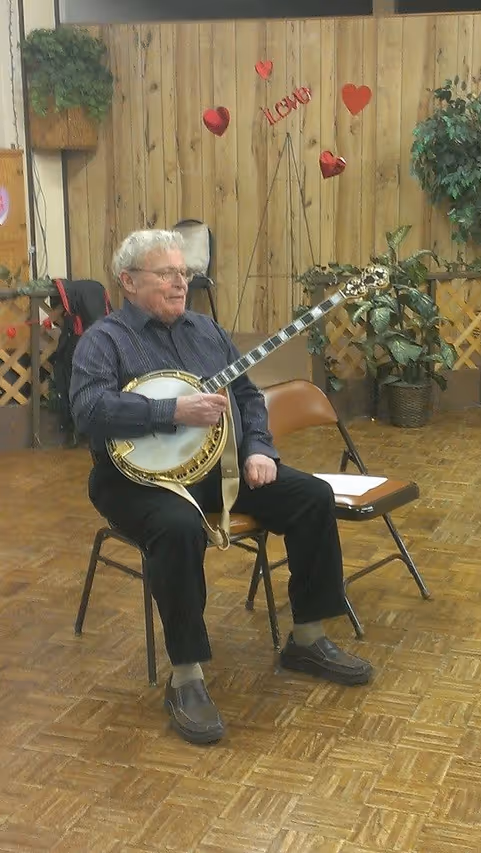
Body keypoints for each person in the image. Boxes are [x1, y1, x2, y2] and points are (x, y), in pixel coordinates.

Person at [69, 228, 373, 745]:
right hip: (134, 482)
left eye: (183, 273)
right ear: (128, 280)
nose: (179, 283)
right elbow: (88, 410)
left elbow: (249, 396)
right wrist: (171, 411)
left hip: (217, 467)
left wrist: (259, 448)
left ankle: (307, 637)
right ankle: (186, 676)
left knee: (311, 496)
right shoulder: (105, 340)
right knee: (179, 528)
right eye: (166, 273)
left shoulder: (205, 330)